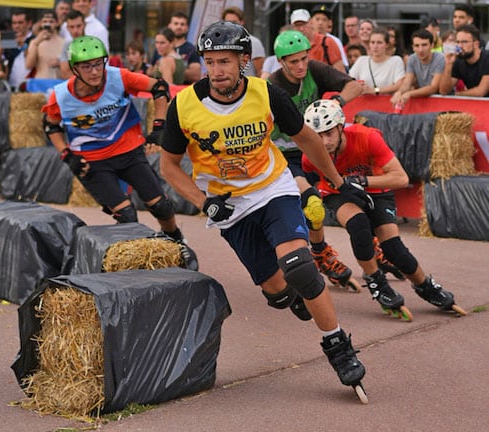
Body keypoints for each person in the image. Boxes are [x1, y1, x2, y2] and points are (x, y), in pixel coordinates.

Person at [159, 21, 369, 400]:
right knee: (276, 291)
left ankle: (337, 346)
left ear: (243, 61)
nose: (217, 70)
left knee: (301, 268)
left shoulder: (266, 93)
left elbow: (305, 138)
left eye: (225, 61)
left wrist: (338, 183)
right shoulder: (185, 105)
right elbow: (169, 166)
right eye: (210, 62)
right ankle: (291, 297)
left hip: (273, 188)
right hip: (229, 207)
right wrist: (203, 202)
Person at [41, 36, 198, 270]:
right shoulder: (61, 95)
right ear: (75, 68)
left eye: (98, 63)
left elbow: (159, 87)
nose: (95, 71)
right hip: (92, 163)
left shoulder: (118, 76)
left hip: (128, 152)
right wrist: (67, 155)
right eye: (87, 66)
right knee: (127, 216)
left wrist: (158, 127)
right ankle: (134, 265)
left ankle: (175, 239)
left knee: (162, 207)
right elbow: (51, 126)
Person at [302, 99, 466, 320]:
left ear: (341, 126)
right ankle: (376, 282)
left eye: (329, 133)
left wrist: (361, 180)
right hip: (337, 193)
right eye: (317, 136)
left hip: (376, 188)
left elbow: (401, 177)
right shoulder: (310, 154)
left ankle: (425, 285)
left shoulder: (367, 137)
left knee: (393, 249)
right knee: (358, 224)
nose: (324, 142)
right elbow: (309, 183)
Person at [268, 29, 362, 291]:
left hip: (313, 149)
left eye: (303, 59)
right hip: (283, 155)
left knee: (351, 191)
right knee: (312, 203)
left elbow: (356, 85)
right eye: (293, 61)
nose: (300, 66)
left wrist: (336, 103)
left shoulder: (314, 70)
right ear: (281, 62)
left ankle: (375, 247)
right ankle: (320, 252)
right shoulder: (272, 86)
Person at [390, 29, 445, 108]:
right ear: (412, 47)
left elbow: (433, 87)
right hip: (423, 101)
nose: (420, 49)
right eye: (417, 46)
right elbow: (407, 83)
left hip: (442, 101)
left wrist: (410, 93)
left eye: (424, 45)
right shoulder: (412, 59)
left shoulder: (440, 58)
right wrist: (399, 92)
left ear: (432, 45)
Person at [349, 27, 405, 95]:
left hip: (386, 103)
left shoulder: (396, 61)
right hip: (364, 102)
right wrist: (357, 84)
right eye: (372, 42)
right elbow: (349, 80)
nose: (375, 46)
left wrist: (375, 90)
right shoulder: (362, 60)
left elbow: (399, 85)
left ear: (386, 44)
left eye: (379, 43)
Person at [439, 24, 489, 97]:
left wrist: (456, 94)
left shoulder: (486, 58)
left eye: (464, 42)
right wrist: (448, 64)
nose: (460, 46)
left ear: (476, 44)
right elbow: (444, 91)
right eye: (458, 42)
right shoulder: (459, 60)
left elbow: (481, 91)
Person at [151, 11, 201, 84]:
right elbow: (152, 70)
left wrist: (169, 68)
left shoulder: (191, 49)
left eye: (182, 24)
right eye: (176, 23)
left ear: (187, 28)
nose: (179, 27)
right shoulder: (160, 49)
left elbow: (196, 75)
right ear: (169, 26)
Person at [290, 8, 345, 73]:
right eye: (297, 25)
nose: (301, 28)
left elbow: (341, 74)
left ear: (311, 22)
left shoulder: (328, 42)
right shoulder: (290, 46)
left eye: (304, 24)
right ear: (292, 27)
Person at [0, 9, 34, 90]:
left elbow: (32, 63)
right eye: (14, 23)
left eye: (20, 22)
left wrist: (23, 46)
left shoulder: (34, 40)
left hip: (29, 85)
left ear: (29, 23)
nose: (16, 26)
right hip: (10, 86)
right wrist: (2, 47)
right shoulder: (9, 39)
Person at [221, 6, 266, 78]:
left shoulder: (254, 43)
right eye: (227, 22)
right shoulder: (220, 43)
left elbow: (260, 72)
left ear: (241, 22)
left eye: (234, 22)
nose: (231, 25)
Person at [25, 10, 64, 79]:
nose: (48, 24)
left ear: (57, 23)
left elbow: (72, 66)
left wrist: (60, 63)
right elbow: (28, 66)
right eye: (45, 21)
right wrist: (36, 44)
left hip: (59, 82)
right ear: (40, 23)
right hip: (41, 82)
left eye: (51, 21)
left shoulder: (65, 43)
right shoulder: (34, 42)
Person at [310, 5, 348, 70]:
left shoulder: (335, 41)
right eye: (317, 19)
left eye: (324, 20)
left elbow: (344, 66)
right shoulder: (305, 39)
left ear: (329, 23)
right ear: (310, 21)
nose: (320, 23)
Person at [59, 9, 85, 79]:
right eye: (72, 27)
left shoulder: (93, 44)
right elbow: (64, 73)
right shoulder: (67, 46)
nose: (75, 30)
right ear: (67, 28)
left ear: (84, 25)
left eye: (78, 26)